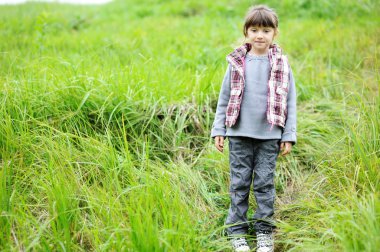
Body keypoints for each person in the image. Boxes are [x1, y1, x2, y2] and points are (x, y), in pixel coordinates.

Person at [211, 5, 297, 252]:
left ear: (275, 33)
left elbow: (290, 100)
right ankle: (236, 231)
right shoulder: (237, 62)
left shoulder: (281, 63)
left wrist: (288, 135)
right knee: (239, 184)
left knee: (264, 184)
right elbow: (224, 97)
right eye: (255, 29)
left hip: (269, 136)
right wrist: (219, 129)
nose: (260, 35)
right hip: (238, 134)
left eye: (266, 30)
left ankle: (264, 232)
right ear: (246, 32)